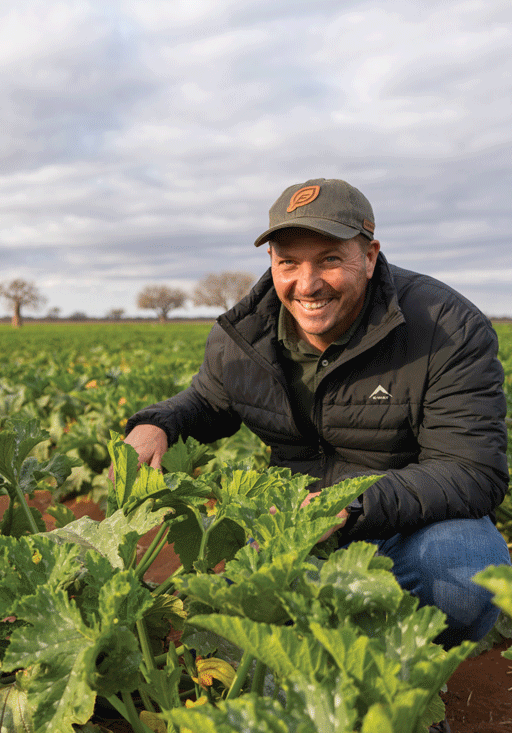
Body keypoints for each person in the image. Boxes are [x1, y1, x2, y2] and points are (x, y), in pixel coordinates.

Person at [124, 178, 510, 654]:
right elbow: (208, 400)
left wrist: (348, 505)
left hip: (407, 525)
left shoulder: (446, 328)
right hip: (293, 525)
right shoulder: (245, 335)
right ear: (272, 263)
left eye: (329, 259)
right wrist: (157, 423)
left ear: (369, 257)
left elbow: (471, 471)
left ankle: (405, 680)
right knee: (261, 664)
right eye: (288, 262)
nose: (306, 285)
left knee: (467, 572)